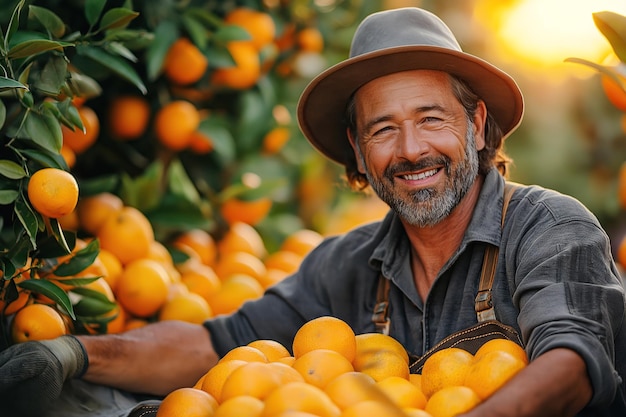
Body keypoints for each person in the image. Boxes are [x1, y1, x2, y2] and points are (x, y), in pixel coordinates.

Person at [1, 6, 625, 417]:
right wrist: (78, 355)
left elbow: (572, 363)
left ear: (477, 124)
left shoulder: (549, 227)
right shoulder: (346, 266)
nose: (411, 151)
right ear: (356, 149)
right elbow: (217, 343)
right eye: (382, 129)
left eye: (431, 119)